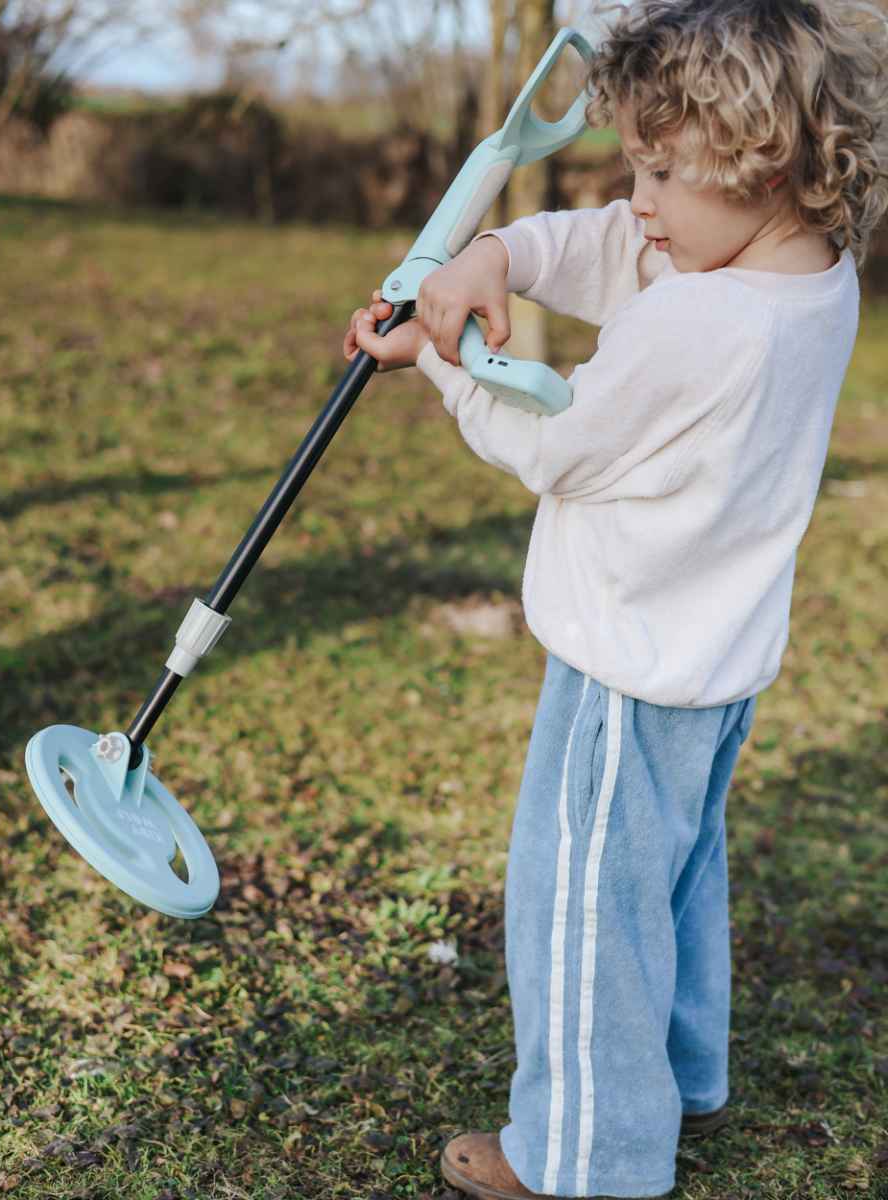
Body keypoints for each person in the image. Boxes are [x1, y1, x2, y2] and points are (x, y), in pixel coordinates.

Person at [342, 1, 888, 1196]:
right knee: (671, 882)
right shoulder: (810, 274)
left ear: (762, 161)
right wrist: (495, 259)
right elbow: (618, 248)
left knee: (581, 908)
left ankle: (588, 1156)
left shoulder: (703, 320)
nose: (636, 200)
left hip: (626, 671)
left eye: (659, 171)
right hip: (713, 665)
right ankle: (681, 1077)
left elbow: (557, 443)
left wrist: (439, 354)